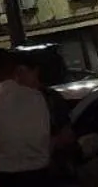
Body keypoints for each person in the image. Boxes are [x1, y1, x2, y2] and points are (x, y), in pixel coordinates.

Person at [0, 48, 52, 186]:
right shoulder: (36, 97)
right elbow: (45, 131)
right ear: (15, 71)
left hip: (3, 176)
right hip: (39, 175)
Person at [15, 52, 76, 181]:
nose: (19, 78)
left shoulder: (51, 98)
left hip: (54, 170)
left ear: (35, 71)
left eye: (22, 72)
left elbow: (66, 133)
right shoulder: (16, 102)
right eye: (15, 74)